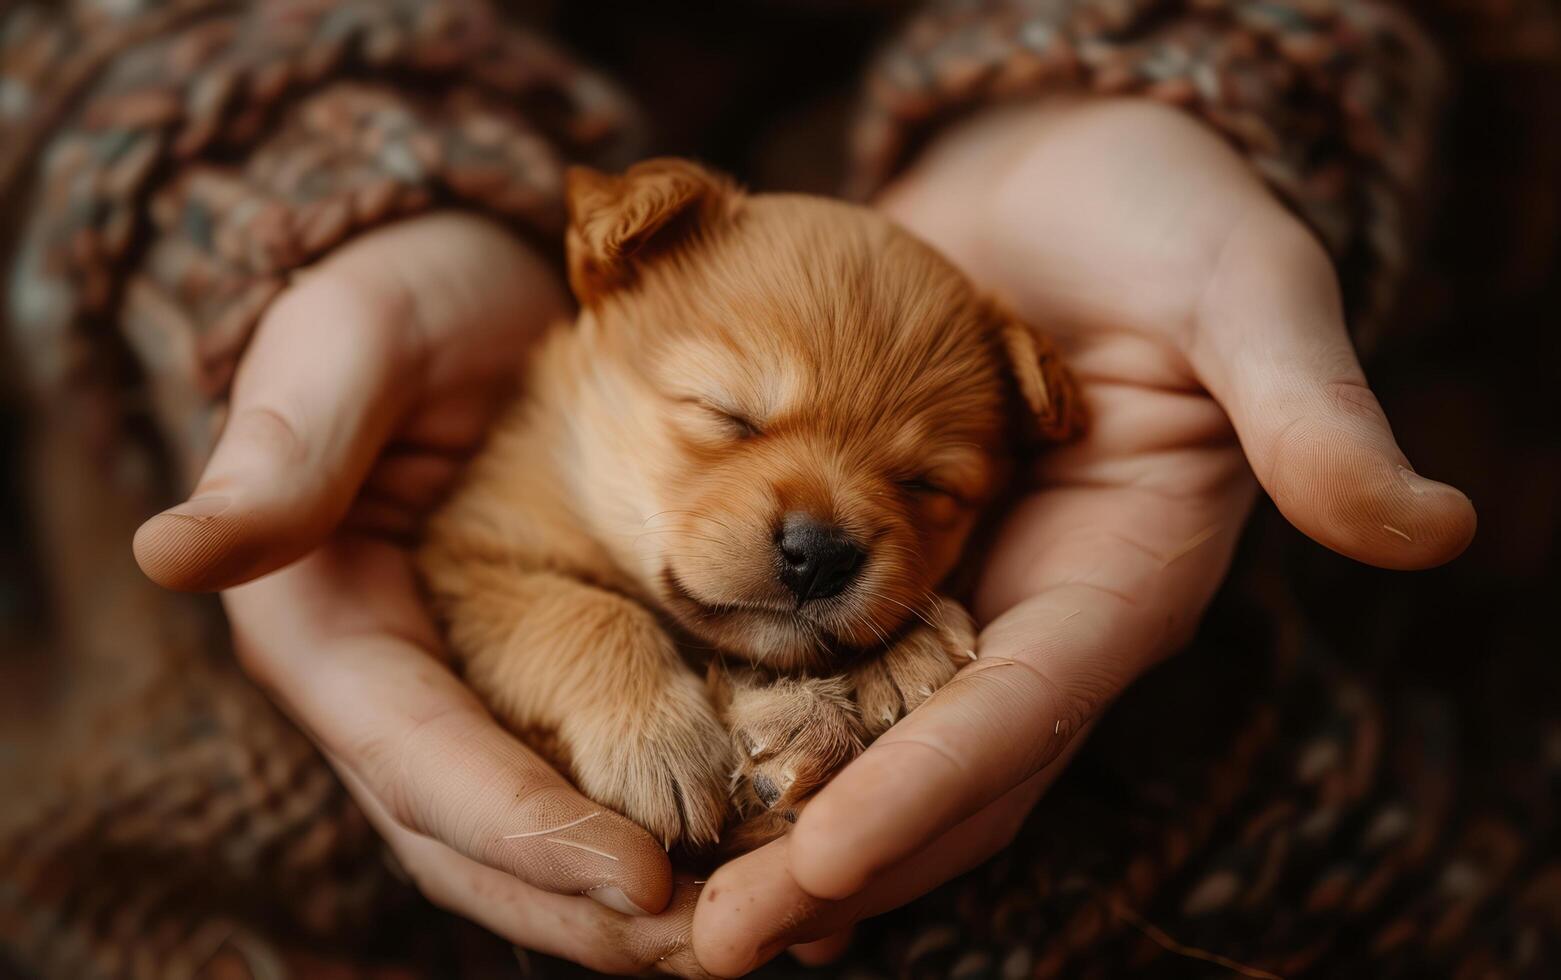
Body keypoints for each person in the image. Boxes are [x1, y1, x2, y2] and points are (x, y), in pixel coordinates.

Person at [0, 1, 1551, 976]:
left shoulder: (1024, 429)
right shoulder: (534, 427)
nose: (819, 531)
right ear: (605, 278)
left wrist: (1170, 75)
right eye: (729, 416)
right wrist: (297, 183)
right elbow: (477, 579)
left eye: (929, 484)